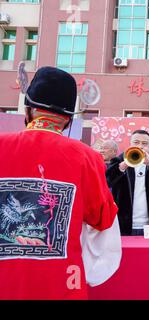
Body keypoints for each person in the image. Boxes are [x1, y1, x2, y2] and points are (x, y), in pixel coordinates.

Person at [0, 67, 118, 299]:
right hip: (60, 285)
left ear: (28, 109)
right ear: (68, 119)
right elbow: (103, 218)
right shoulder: (86, 157)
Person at [106, 130, 149, 236]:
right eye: (136, 143)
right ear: (130, 144)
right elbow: (107, 181)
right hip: (123, 224)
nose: (140, 146)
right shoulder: (118, 161)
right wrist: (123, 165)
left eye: (144, 144)